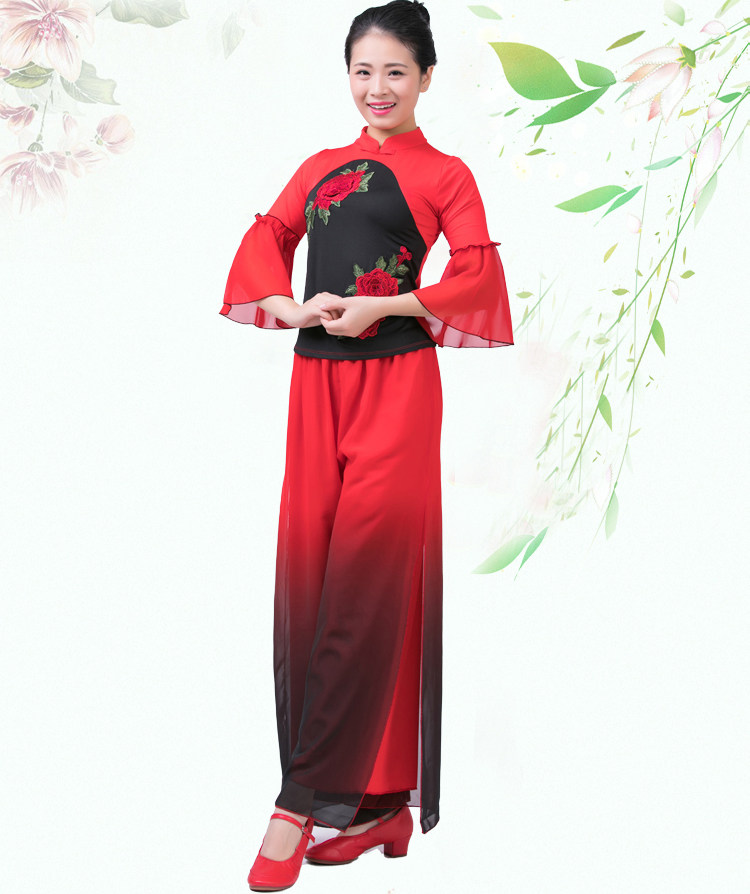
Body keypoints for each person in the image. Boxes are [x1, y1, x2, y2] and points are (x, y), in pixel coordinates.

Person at [220, 2, 513, 889]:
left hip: (398, 389)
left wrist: (389, 305)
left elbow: (477, 273)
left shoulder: (446, 174)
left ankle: (296, 805)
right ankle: (378, 807)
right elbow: (268, 238)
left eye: (395, 72)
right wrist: (290, 307)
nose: (377, 88)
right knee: (311, 582)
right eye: (363, 71)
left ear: (426, 78)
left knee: (366, 585)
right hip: (316, 385)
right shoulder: (319, 167)